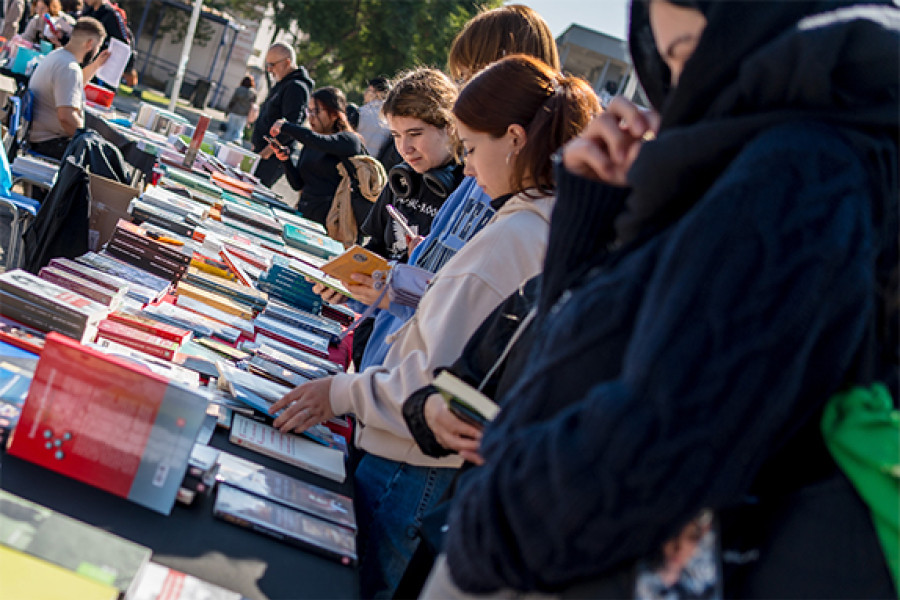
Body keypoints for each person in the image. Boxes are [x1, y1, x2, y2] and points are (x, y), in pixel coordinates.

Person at [421, 0, 899, 597]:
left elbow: (658, 442)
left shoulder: (796, 172)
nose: (680, 86)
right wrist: (590, 217)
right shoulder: (756, 156)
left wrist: (491, 520)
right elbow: (573, 355)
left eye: (689, 53)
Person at [270, 55, 599, 599]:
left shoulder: (512, 239)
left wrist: (340, 391)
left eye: (470, 149)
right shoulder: (537, 228)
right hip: (416, 459)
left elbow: (432, 384)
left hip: (408, 462)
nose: (467, 170)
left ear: (515, 139)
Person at [345, 3, 561, 375]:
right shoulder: (479, 178)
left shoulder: (521, 199)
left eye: (469, 78)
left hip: (415, 387)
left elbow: (473, 309)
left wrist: (400, 286)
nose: (460, 94)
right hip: (390, 368)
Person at [268, 86, 366, 227]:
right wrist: (286, 160)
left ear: (334, 114)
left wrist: (286, 126)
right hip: (304, 216)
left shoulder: (349, 140)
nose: (311, 116)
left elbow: (320, 141)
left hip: (333, 225)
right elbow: (298, 185)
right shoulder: (311, 142)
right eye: (310, 111)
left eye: (317, 111)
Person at [27, 16, 108, 159]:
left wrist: (95, 66)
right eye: (98, 47)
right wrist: (87, 139)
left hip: (37, 136)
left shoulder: (58, 56)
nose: (96, 52)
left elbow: (70, 88)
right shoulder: (69, 68)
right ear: (90, 44)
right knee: (101, 159)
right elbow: (66, 118)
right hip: (50, 142)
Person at [251, 41, 314, 187]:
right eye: (267, 65)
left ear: (287, 62)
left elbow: (292, 125)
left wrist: (266, 153)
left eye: (272, 65)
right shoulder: (284, 82)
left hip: (272, 158)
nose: (269, 69)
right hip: (262, 154)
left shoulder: (296, 87)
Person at [356, 76, 391, 161]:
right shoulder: (392, 116)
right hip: (378, 167)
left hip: (358, 163)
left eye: (368, 90)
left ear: (378, 94)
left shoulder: (360, 113)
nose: (365, 94)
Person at [222, 75, 256, 144]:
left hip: (235, 111)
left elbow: (232, 101)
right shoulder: (253, 93)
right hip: (244, 114)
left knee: (230, 129)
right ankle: (236, 141)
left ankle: (225, 142)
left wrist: (227, 111)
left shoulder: (239, 89)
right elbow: (253, 105)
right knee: (239, 130)